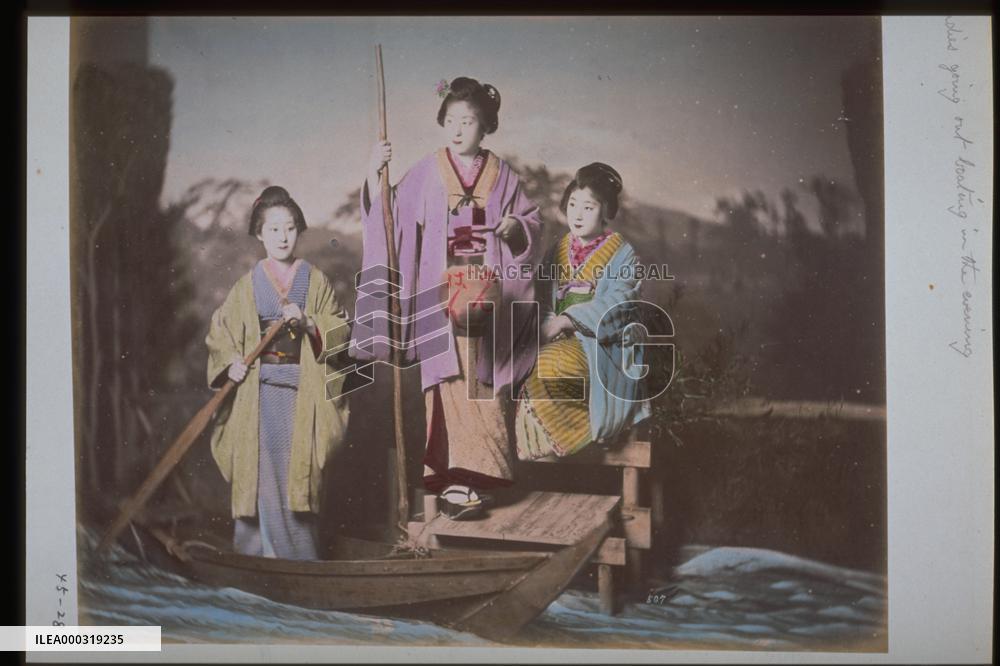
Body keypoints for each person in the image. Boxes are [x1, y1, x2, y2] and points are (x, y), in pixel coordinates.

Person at [353, 76, 542, 520]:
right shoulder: (427, 170)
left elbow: (529, 221)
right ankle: (456, 484)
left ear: (485, 127)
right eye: (451, 120)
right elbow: (389, 215)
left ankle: (483, 480)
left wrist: (516, 227)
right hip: (443, 298)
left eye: (469, 121)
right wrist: (372, 171)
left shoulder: (503, 174)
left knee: (487, 387)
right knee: (450, 386)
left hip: (490, 297)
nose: (458, 130)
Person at [205, 185, 351, 558]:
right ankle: (253, 559)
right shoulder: (247, 287)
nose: (282, 237)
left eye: (289, 228)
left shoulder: (313, 280)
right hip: (259, 395)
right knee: (257, 476)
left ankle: (298, 561)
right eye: (273, 229)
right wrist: (231, 364)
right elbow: (222, 335)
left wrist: (308, 322)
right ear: (259, 233)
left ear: (298, 230)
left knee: (296, 480)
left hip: (303, 395)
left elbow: (340, 330)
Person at [515, 163, 651, 460]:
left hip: (600, 346)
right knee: (520, 362)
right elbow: (540, 297)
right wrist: (548, 320)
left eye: (588, 207)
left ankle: (582, 432)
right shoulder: (558, 250)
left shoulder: (622, 253)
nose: (577, 214)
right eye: (572, 205)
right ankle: (543, 445)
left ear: (605, 211)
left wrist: (568, 319)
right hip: (558, 339)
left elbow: (622, 302)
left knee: (547, 365)